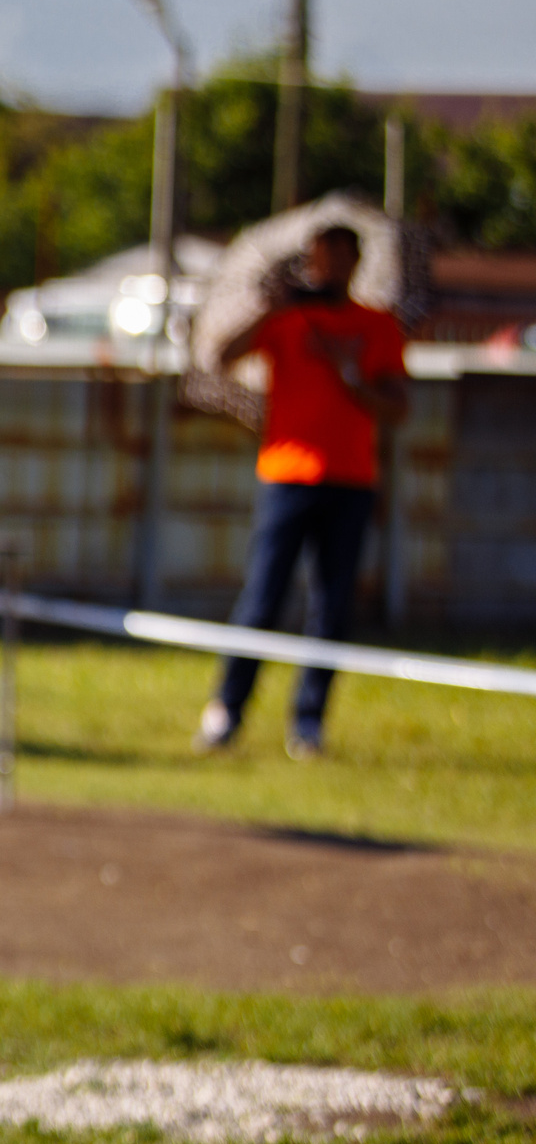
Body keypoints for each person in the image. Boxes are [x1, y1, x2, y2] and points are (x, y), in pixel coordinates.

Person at [197, 222, 409, 761]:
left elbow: (399, 408)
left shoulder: (376, 326)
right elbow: (221, 356)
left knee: (332, 607)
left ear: (356, 263)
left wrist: (354, 381)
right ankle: (226, 710)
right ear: (309, 261)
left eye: (342, 256)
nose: (331, 266)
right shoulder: (286, 320)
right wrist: (273, 308)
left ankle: (308, 724)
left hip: (350, 479)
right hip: (286, 476)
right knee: (263, 597)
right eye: (322, 256)